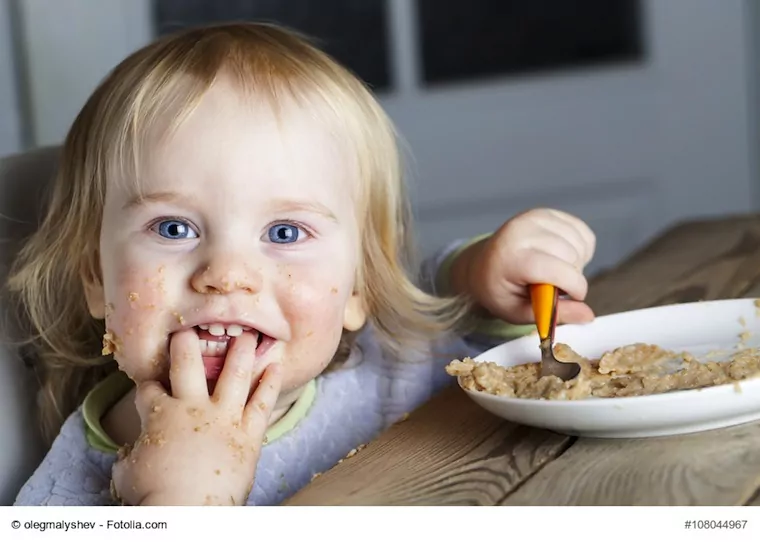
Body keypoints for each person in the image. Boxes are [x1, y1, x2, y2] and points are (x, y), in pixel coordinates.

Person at [8, 22, 595, 506]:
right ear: (94, 276)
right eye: (173, 228)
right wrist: (178, 506)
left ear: (360, 284)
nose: (227, 273)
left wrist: (481, 274)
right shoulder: (73, 487)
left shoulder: (383, 374)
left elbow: (472, 335)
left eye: (285, 232)